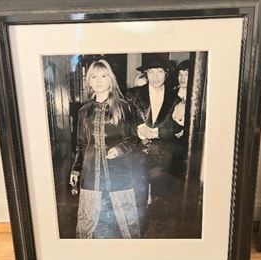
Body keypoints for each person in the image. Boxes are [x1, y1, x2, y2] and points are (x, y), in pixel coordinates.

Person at [69, 59, 141, 239]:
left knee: (127, 224)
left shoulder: (124, 108)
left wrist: (119, 150)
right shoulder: (84, 111)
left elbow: (133, 139)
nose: (98, 80)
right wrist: (76, 169)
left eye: (103, 75)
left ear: (111, 79)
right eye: (94, 76)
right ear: (89, 81)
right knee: (87, 225)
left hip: (120, 175)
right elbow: (81, 143)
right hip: (91, 176)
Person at [126, 54, 182, 202]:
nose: (155, 76)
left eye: (160, 71)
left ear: (166, 73)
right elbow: (123, 121)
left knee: (161, 203)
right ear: (146, 74)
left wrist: (159, 133)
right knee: (137, 201)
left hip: (163, 159)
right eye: (151, 72)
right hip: (136, 156)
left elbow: (178, 127)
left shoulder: (175, 97)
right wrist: (139, 129)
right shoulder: (132, 94)